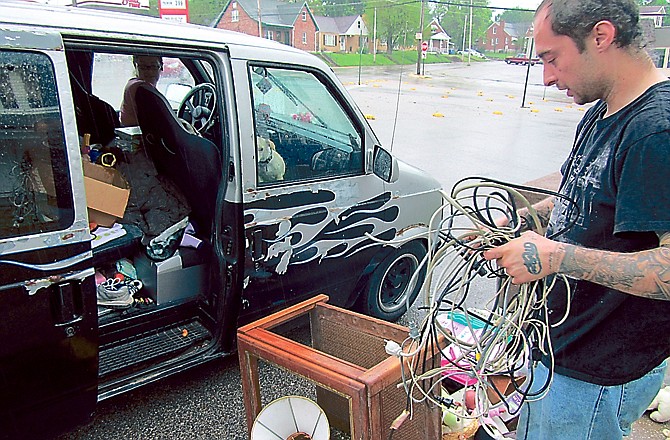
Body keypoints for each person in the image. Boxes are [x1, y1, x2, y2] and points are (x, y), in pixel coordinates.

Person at [482, 0, 670, 438]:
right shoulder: (598, 114)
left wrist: (557, 257)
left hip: (600, 373)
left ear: (600, 37)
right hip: (560, 350)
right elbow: (579, 201)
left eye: (552, 57)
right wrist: (518, 225)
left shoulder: (655, 133)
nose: (546, 76)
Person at [119, 55, 163, 126]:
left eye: (154, 66)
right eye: (143, 66)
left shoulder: (133, 83)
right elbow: (157, 121)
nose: (149, 71)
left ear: (161, 67)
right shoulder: (142, 89)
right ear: (135, 67)